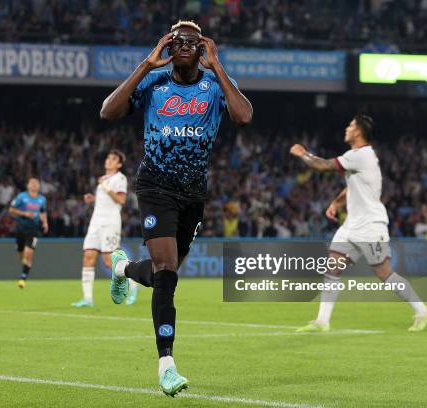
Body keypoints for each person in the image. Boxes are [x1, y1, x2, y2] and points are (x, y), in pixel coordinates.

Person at [100, 20, 253, 396]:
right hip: (155, 186)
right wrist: (145, 65)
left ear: (202, 48)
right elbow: (108, 111)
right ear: (168, 45)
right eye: (178, 39)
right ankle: (166, 363)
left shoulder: (214, 86)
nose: (184, 44)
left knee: (161, 274)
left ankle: (121, 267)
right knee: (167, 272)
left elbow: (244, 115)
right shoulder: (154, 84)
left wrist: (218, 66)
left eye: (192, 41)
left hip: (192, 194)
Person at [289, 114, 427, 332]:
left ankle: (422, 311)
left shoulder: (361, 155)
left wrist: (303, 153)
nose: (346, 128)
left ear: (358, 132)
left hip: (370, 226)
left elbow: (323, 165)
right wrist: (336, 204)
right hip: (352, 226)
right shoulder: (361, 159)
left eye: (350, 125)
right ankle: (322, 321)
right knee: (333, 268)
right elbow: (352, 187)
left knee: (384, 273)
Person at [71, 150, 140, 307]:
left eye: (113, 159)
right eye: (108, 157)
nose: (109, 160)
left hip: (110, 223)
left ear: (119, 164)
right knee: (88, 256)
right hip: (95, 222)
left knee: (109, 260)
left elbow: (121, 200)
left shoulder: (119, 179)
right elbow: (106, 201)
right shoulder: (104, 179)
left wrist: (107, 188)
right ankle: (88, 299)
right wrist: (94, 199)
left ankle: (134, 285)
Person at [8, 178, 48, 289]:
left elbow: (43, 212)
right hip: (21, 228)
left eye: (36, 183)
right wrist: (24, 213)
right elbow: (11, 210)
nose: (34, 185)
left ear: (39, 186)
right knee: (21, 254)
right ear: (28, 185)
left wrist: (45, 223)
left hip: (34, 230)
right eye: (32, 183)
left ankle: (23, 279)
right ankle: (26, 265)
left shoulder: (42, 199)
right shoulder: (22, 197)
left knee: (28, 253)